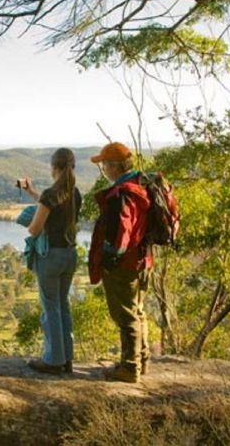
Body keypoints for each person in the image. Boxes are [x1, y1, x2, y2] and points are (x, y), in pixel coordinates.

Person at [88, 142, 152, 383]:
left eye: (104, 164)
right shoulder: (140, 186)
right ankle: (142, 360)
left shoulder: (121, 194)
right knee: (137, 311)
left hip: (124, 264)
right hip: (143, 259)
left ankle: (129, 367)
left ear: (115, 166)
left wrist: (110, 256)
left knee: (125, 316)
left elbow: (122, 229)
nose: (103, 168)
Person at [22, 147, 82, 375]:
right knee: (62, 305)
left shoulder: (52, 194)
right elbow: (52, 205)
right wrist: (32, 193)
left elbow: (35, 228)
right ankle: (66, 359)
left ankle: (53, 360)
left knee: (51, 308)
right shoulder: (74, 193)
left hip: (51, 257)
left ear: (53, 168)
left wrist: (28, 221)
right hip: (69, 255)